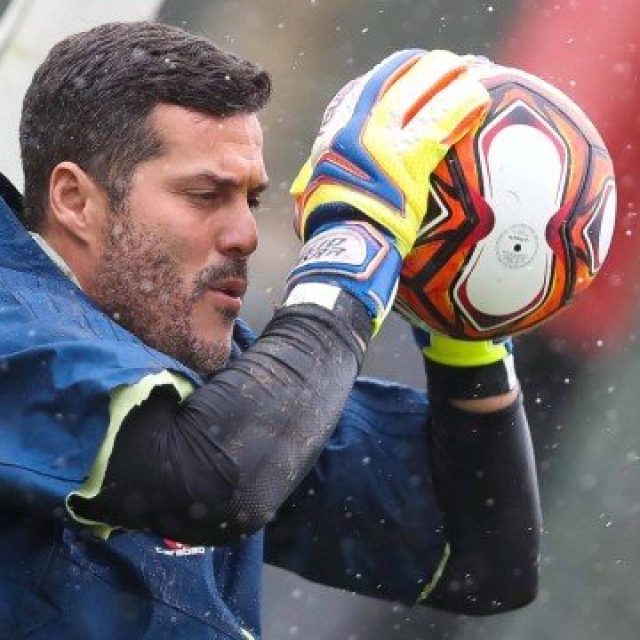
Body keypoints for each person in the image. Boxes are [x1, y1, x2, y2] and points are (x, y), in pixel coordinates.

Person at [0, 21, 541, 640]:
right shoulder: (13, 323)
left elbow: (484, 558)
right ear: (75, 200)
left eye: (251, 200)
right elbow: (209, 481)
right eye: (206, 194)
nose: (246, 235)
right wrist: (355, 251)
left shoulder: (199, 376)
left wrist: (462, 314)